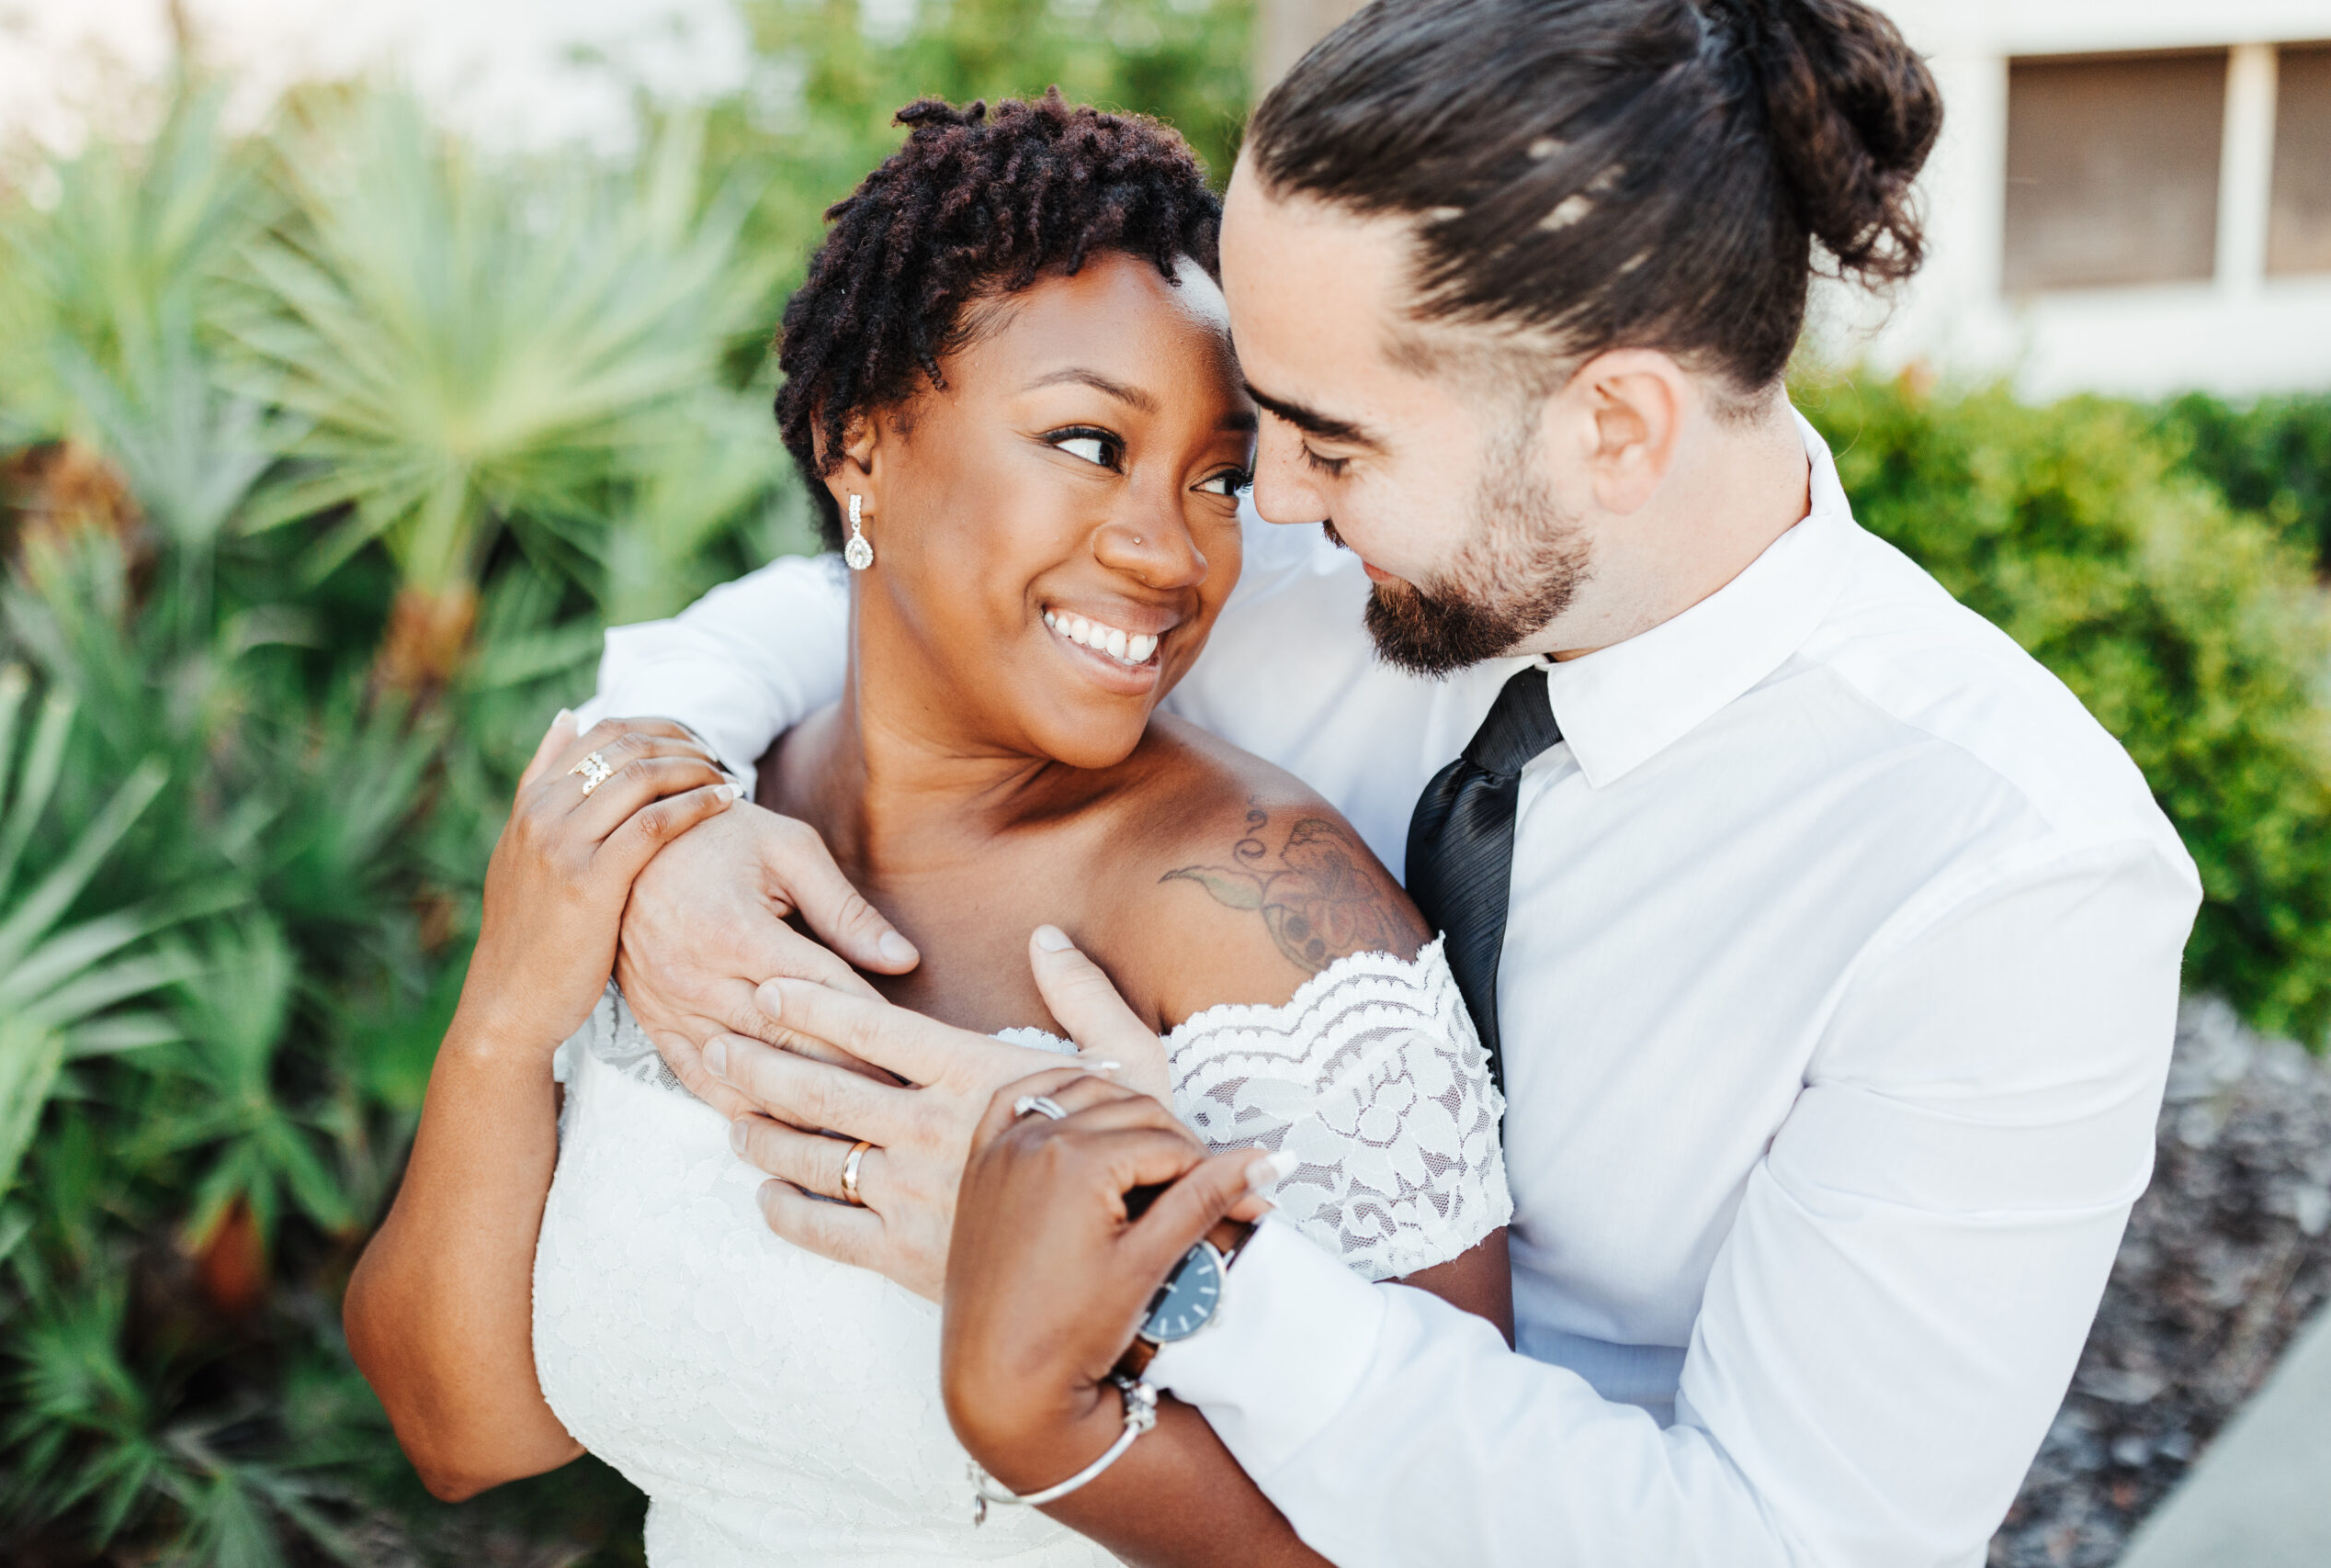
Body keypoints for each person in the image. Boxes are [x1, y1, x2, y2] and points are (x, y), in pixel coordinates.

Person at [579, 2, 2207, 1566]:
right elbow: (877, 603)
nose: (1262, 497)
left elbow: (1780, 1547)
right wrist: (672, 817)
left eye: (1325, 441)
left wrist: (1175, 1273)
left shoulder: (2009, 877)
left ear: (1617, 429)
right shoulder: (1318, 550)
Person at [344, 92, 1514, 1568]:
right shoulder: (679, 847)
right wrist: (509, 1019)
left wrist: (1084, 1361)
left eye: (1218, 478)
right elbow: (469, 1431)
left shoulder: (1258, 918)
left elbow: (1458, 1532)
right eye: (1090, 442)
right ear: (858, 442)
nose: (1169, 550)